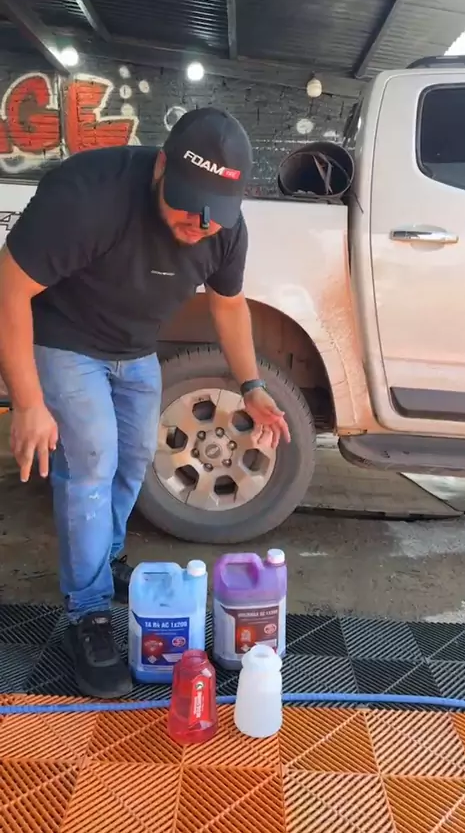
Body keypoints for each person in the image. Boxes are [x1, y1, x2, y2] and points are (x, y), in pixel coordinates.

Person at [0, 107, 290, 699]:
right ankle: (86, 611)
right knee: (91, 462)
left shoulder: (224, 227)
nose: (200, 225)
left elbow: (228, 305)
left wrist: (253, 386)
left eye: (214, 215)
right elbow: (8, 288)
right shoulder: (89, 196)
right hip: (63, 339)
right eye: (189, 206)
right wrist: (28, 401)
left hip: (134, 349)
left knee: (135, 458)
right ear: (161, 168)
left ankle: (104, 559)